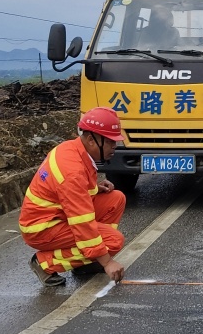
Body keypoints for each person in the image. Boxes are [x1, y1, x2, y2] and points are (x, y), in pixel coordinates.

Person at [20, 107, 127, 286]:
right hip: (43, 227)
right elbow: (82, 222)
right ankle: (44, 263)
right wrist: (107, 262)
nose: (114, 146)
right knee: (114, 240)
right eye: (110, 141)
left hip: (56, 215)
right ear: (91, 140)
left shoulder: (73, 149)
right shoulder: (72, 172)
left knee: (115, 199)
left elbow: (69, 192)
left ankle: (88, 260)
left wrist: (94, 188)